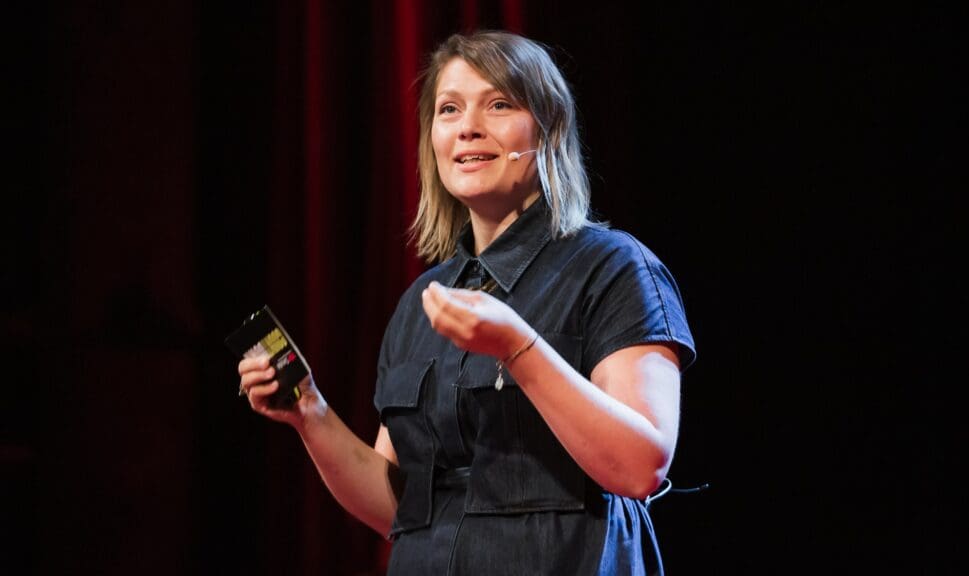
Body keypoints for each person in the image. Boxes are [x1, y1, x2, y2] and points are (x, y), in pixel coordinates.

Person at [237, 29, 696, 575]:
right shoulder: (421, 303)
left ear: (548, 130)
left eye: (498, 104)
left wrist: (516, 345)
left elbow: (639, 466)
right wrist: (309, 412)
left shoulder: (614, 269)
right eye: (449, 109)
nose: (468, 128)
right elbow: (399, 511)